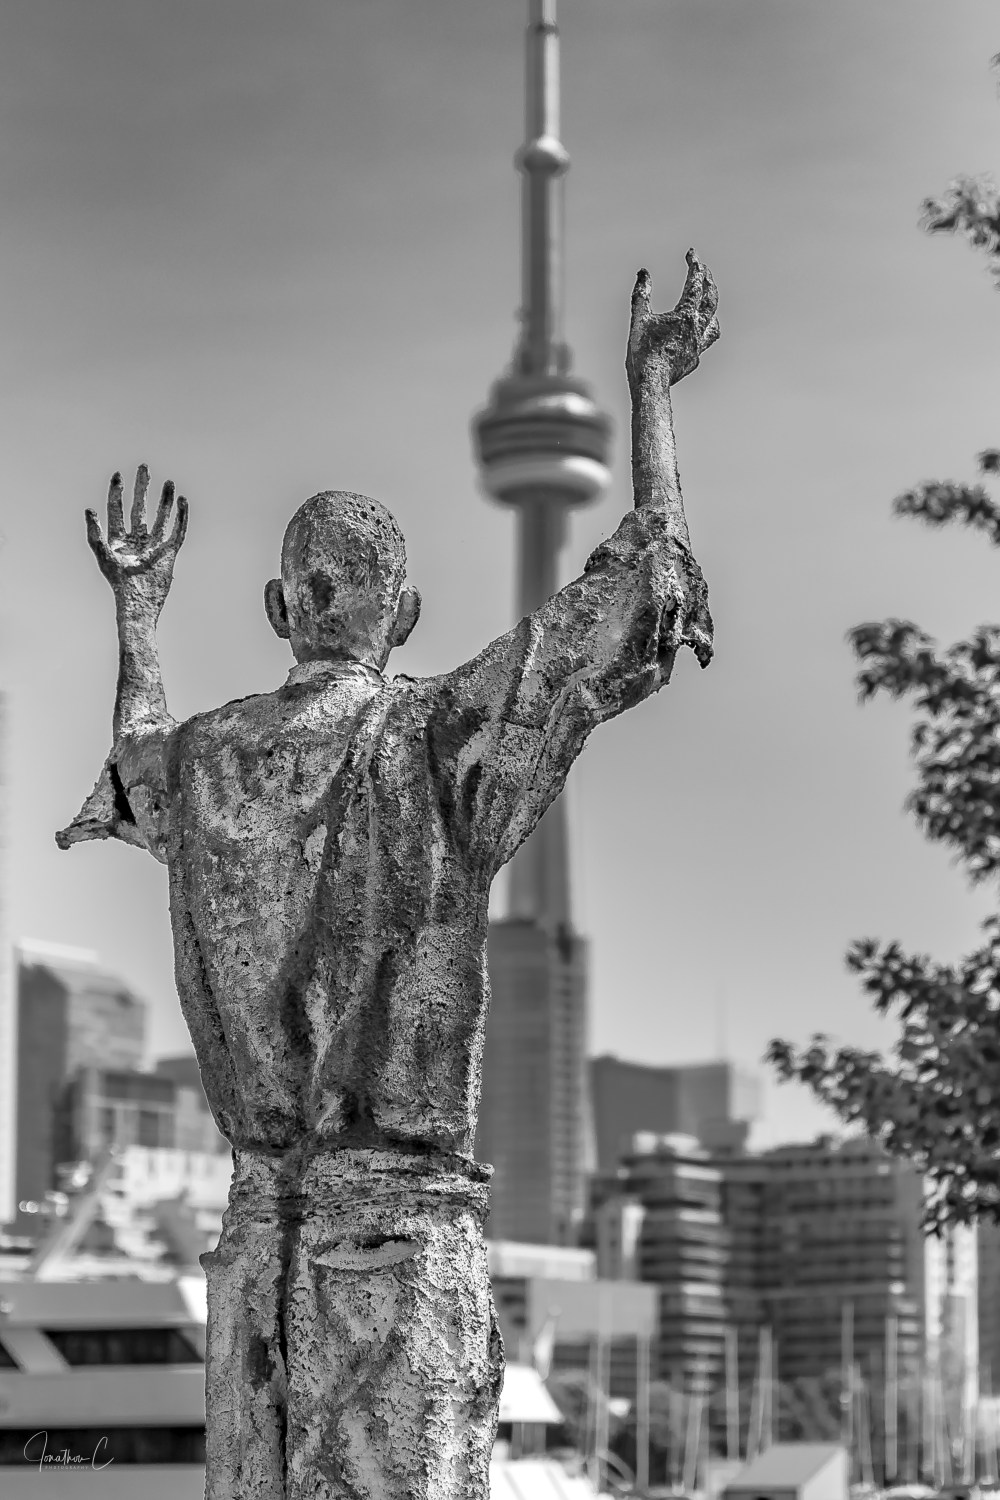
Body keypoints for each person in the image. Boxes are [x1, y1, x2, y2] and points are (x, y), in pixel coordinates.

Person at [57, 253, 719, 1500]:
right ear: (404, 614)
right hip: (397, 1249)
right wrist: (653, 388)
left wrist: (141, 619)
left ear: (274, 606)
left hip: (257, 1249)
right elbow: (635, 591)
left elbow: (136, 759)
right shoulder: (431, 736)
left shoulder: (205, 764)